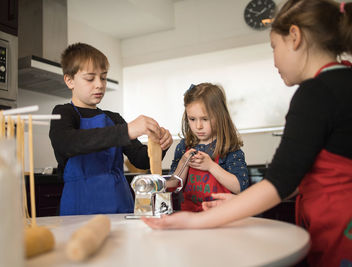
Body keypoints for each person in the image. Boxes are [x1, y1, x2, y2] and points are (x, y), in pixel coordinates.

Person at [142, 0, 352, 266]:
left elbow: (280, 182)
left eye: (274, 47)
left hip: (341, 226)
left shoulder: (316, 93)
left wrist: (199, 220)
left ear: (295, 37)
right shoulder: (345, 81)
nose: (274, 60)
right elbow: (301, 177)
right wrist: (236, 204)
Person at [49, 43, 173, 216]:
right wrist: (126, 131)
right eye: (90, 78)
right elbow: (67, 143)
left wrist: (160, 145)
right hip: (79, 210)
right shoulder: (64, 113)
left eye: (104, 77)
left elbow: (141, 160)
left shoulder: (114, 118)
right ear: (69, 80)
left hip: (120, 206)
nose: (99, 84)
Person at [168, 83, 249, 212]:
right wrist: (183, 163)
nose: (198, 126)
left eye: (205, 119)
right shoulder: (183, 146)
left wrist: (211, 166)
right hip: (188, 216)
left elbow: (241, 187)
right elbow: (172, 185)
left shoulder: (230, 148)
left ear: (220, 116)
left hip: (220, 216)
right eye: (192, 119)